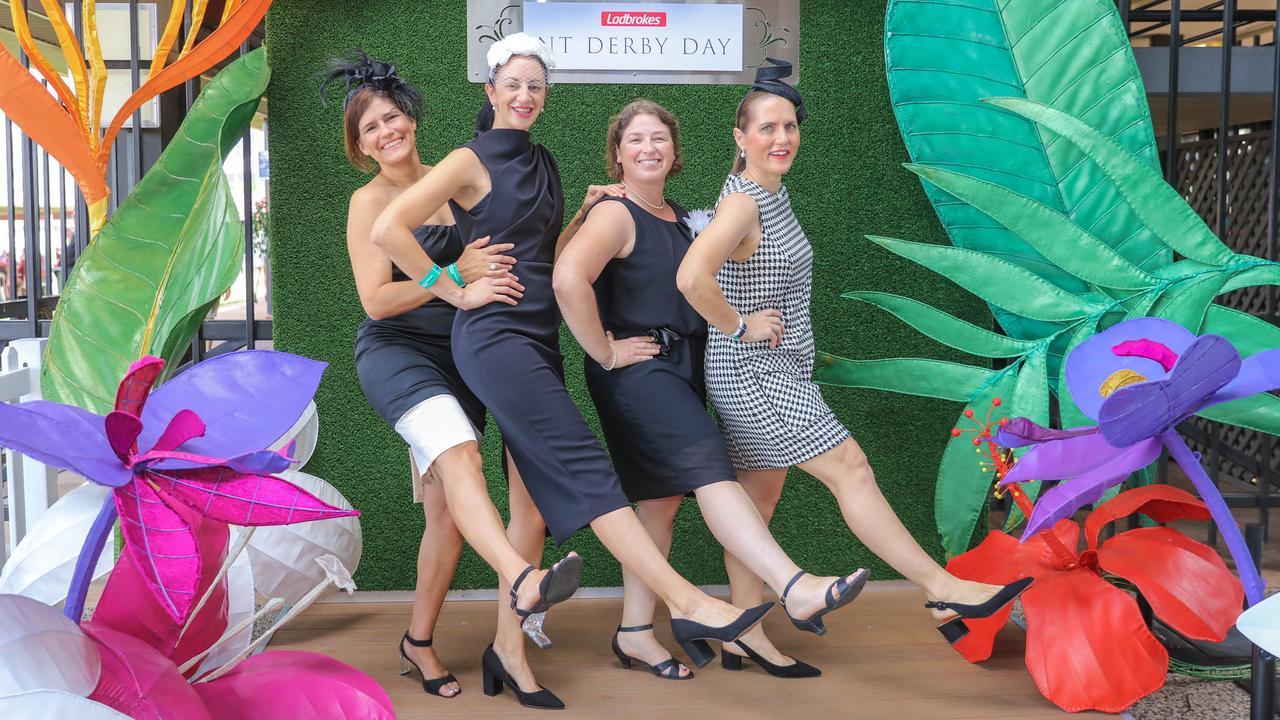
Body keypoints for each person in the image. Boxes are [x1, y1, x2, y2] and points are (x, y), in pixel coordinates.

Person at [369, 34, 846, 707]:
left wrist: (586, 216)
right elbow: (389, 228)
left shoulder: (544, 163)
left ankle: (507, 648)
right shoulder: (468, 159)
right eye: (514, 84)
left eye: (536, 85)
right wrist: (452, 286)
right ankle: (688, 602)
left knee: (530, 509)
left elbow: (549, 257)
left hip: (537, 339)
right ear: (490, 90)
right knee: (585, 465)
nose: (526, 95)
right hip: (495, 334)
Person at [676, 59, 1033, 658]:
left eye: (790, 126)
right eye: (767, 128)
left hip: (778, 370)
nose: (782, 138)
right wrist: (741, 326)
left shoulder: (771, 195)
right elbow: (691, 277)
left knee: (757, 500)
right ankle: (942, 588)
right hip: (754, 373)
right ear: (740, 138)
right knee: (853, 469)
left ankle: (743, 632)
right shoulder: (742, 205)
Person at [554, 99, 867, 680]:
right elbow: (567, 277)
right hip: (639, 372)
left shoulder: (678, 216)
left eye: (659, 139)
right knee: (710, 471)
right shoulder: (616, 213)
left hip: (681, 367)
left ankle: (636, 632)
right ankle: (791, 584)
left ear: (675, 152)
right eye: (635, 140)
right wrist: (604, 350)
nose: (648, 148)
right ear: (617, 153)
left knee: (660, 501)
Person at [325, 52, 580, 705]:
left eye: (392, 117)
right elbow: (376, 301)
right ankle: (521, 576)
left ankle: (417, 641)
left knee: (443, 513)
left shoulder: (455, 176)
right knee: (463, 456)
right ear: (359, 147)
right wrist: (452, 280)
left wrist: (581, 219)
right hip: (399, 355)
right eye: (370, 129)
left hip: (468, 356)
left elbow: (524, 252)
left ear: (410, 117)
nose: (387, 132)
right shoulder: (367, 203)